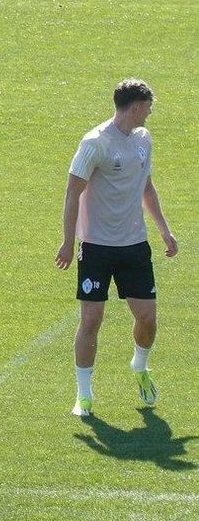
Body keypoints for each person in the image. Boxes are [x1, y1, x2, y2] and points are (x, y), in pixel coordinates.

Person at [55, 79, 177, 417]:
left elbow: (146, 186)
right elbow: (72, 193)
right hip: (96, 247)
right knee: (91, 320)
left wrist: (164, 231)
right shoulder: (95, 143)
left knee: (148, 319)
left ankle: (139, 366)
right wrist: (68, 241)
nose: (150, 112)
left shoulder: (143, 140)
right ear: (136, 106)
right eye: (148, 106)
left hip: (135, 245)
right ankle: (83, 395)